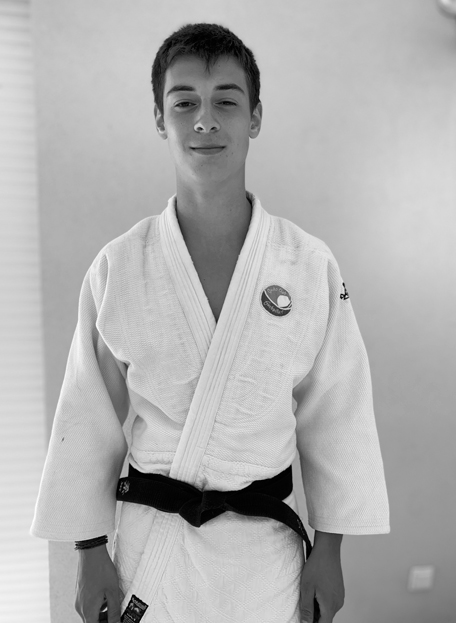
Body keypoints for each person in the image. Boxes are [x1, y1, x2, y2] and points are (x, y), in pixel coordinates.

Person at [30, 22, 390, 623]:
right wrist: (89, 552)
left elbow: (338, 413)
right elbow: (86, 417)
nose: (205, 120)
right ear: (159, 118)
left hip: (263, 558)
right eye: (184, 103)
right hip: (152, 552)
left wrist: (329, 550)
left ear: (254, 118)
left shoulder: (307, 264)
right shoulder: (120, 266)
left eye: (226, 101)